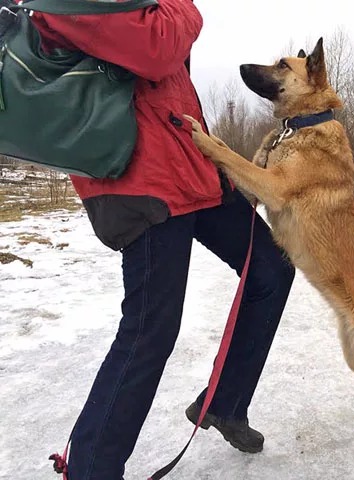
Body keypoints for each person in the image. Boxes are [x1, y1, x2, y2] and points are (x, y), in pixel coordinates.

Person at [30, 1, 295, 478]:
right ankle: (92, 467)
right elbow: (157, 48)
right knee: (151, 327)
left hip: (192, 173)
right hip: (139, 180)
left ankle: (224, 403)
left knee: (272, 268)